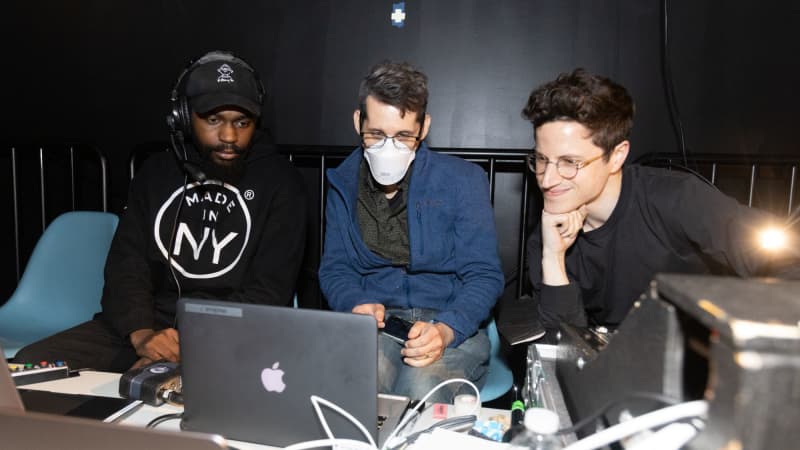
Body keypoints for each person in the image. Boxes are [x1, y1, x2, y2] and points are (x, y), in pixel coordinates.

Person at [14, 51, 307, 371]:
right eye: (213, 120)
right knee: (34, 367)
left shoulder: (282, 183)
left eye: (242, 122)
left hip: (229, 335)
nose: (229, 136)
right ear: (182, 116)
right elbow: (126, 267)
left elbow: (269, 292)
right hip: (144, 329)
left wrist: (186, 344)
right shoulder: (154, 174)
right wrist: (142, 336)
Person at [523, 68, 799, 330]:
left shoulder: (677, 198)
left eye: (569, 162)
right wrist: (553, 257)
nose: (547, 180)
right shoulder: (547, 236)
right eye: (541, 160)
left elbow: (786, 259)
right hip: (618, 367)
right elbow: (561, 349)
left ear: (617, 156)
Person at [318, 61, 504, 402]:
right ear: (358, 122)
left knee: (419, 392)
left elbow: (484, 274)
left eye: (403, 136)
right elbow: (336, 267)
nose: (389, 148)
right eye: (375, 134)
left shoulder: (462, 181)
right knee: (353, 386)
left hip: (450, 323)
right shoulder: (343, 183)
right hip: (379, 326)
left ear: (424, 127)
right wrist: (354, 302)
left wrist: (448, 329)